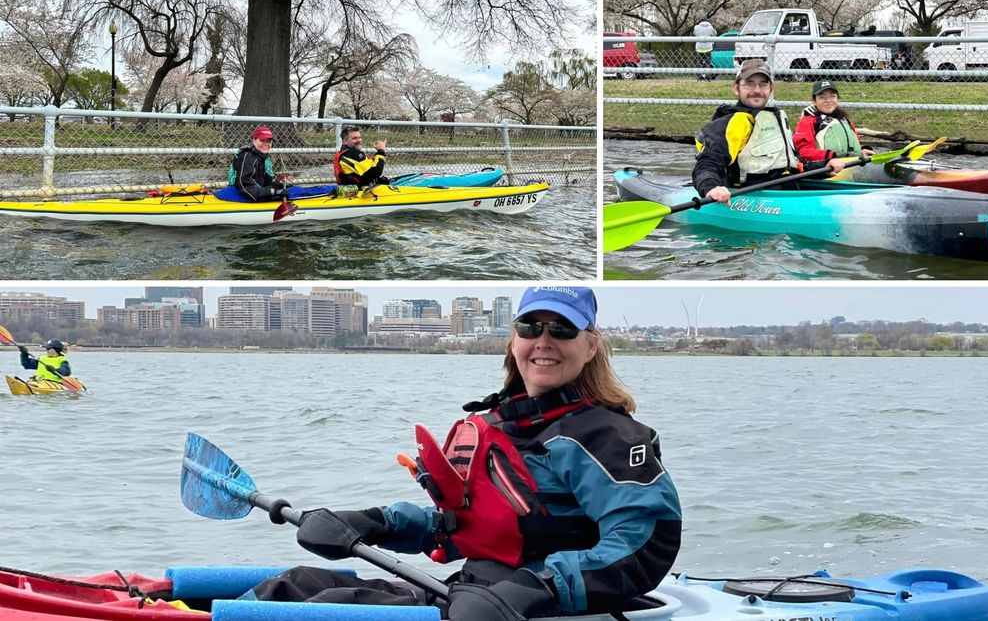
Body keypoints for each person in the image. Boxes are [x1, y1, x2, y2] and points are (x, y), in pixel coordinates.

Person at [248, 286, 683, 621]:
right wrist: (375, 521)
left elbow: (644, 543)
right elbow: (469, 524)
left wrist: (536, 589)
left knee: (326, 606)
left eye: (562, 329)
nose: (544, 341)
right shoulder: (503, 424)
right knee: (291, 586)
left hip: (536, 609)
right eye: (531, 328)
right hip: (469, 596)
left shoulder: (608, 437)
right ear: (514, 341)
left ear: (590, 346)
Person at [692, 59, 813, 205]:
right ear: (736, 88)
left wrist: (825, 166)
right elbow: (709, 162)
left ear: (771, 89)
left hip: (787, 192)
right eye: (749, 83)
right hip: (752, 198)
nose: (757, 90)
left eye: (763, 84)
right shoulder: (733, 123)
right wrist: (711, 187)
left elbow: (795, 164)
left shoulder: (776, 117)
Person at [792, 80, 875, 174]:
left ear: (837, 99)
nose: (828, 100)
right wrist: (830, 156)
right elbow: (802, 152)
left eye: (832, 96)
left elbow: (852, 144)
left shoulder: (845, 119)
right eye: (822, 97)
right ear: (814, 101)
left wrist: (861, 151)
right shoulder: (807, 122)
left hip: (851, 165)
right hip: (824, 170)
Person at [227, 127, 290, 202]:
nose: (266, 144)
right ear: (254, 140)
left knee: (292, 189)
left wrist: (279, 183)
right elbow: (245, 186)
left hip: (256, 191)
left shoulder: (265, 157)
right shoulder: (247, 156)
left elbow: (266, 182)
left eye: (269, 141)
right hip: (240, 193)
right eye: (262, 140)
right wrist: (274, 192)